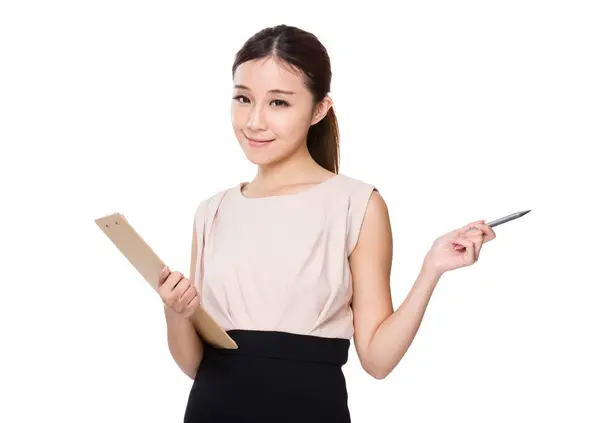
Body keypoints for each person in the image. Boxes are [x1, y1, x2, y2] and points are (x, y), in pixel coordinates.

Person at [157, 24, 496, 422]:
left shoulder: (356, 204)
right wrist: (175, 312)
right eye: (243, 99)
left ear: (320, 108)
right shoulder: (211, 211)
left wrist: (431, 269)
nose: (254, 121)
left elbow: (378, 360)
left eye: (279, 103)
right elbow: (194, 366)